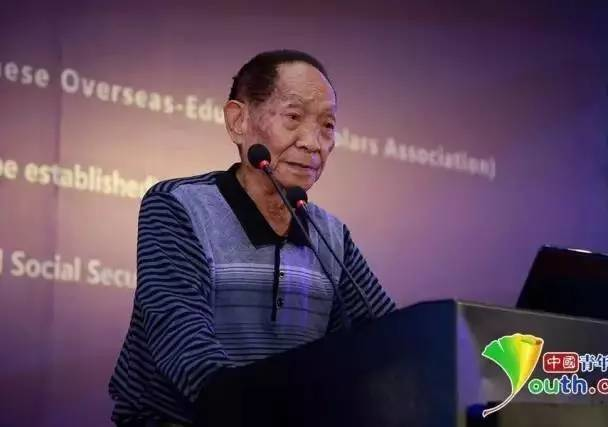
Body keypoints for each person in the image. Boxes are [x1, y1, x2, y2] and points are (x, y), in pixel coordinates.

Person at [108, 50, 395, 427]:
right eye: (293, 117)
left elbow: (387, 340)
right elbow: (183, 345)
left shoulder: (331, 235)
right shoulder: (180, 205)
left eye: (327, 125)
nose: (313, 143)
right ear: (238, 121)